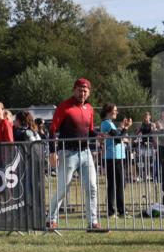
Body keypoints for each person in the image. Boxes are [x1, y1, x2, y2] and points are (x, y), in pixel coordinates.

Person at [46, 78, 100, 230]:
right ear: (74, 90)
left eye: (85, 91)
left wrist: (99, 135)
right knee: (63, 189)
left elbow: (90, 131)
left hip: (85, 153)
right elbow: (52, 130)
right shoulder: (64, 106)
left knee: (92, 187)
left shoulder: (89, 108)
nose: (82, 93)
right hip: (67, 153)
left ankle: (93, 223)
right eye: (79, 90)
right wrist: (52, 152)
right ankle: (50, 219)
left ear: (89, 93)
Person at [100, 104, 130, 219]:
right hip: (112, 157)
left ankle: (118, 210)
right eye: (115, 110)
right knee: (115, 184)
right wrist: (125, 128)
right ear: (108, 112)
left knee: (120, 184)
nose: (116, 112)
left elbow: (117, 136)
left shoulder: (110, 123)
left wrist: (122, 128)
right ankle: (114, 211)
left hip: (117, 156)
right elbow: (118, 138)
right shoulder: (106, 123)